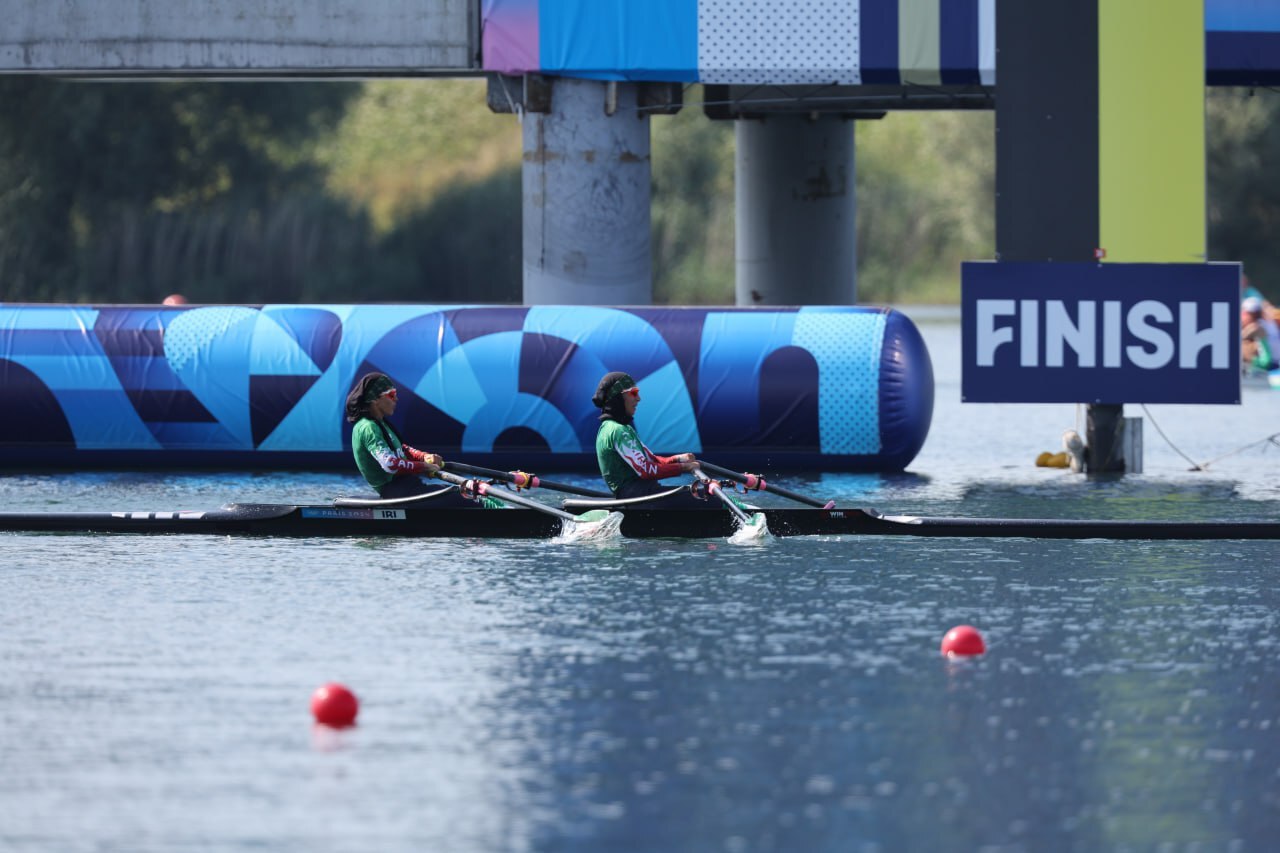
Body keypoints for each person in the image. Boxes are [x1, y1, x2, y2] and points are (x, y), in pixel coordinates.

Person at [592, 371, 700, 500]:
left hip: (640, 495)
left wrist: (678, 459)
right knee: (705, 497)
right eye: (633, 393)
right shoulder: (618, 430)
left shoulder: (618, 428)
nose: (638, 398)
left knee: (701, 494)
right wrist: (684, 468)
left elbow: (651, 460)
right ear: (617, 398)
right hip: (639, 497)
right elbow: (646, 470)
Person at [344, 372, 450, 500]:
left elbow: (401, 449)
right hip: (398, 493)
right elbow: (390, 464)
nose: (396, 399)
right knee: (462, 496)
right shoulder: (368, 427)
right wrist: (424, 467)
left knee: (464, 493)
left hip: (408, 488)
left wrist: (423, 457)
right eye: (391, 395)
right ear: (375, 400)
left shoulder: (380, 423)